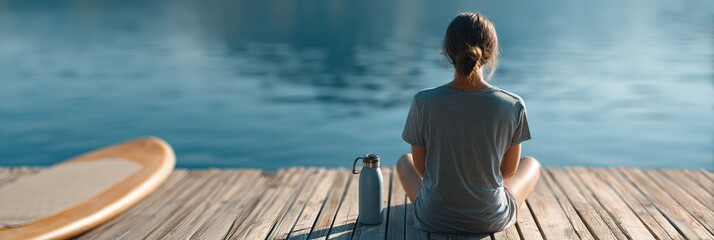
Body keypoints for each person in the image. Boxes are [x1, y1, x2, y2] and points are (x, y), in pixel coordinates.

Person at [396, 12, 541, 233]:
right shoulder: (512, 105)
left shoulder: (423, 102)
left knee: (403, 161)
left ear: (447, 51)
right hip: (489, 219)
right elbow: (508, 172)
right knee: (532, 164)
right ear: (490, 53)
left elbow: (423, 170)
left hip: (433, 218)